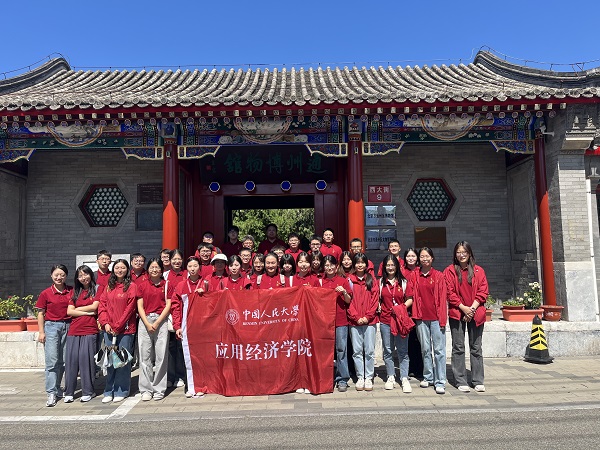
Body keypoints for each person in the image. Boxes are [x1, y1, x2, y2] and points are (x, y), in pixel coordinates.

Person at [444, 241, 489, 393]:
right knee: (458, 347)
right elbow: (449, 292)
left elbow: (483, 291)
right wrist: (464, 308)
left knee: (476, 347)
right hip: (458, 313)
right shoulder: (449, 271)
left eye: (464, 252)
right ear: (455, 254)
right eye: (458, 252)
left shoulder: (478, 271)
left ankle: (477, 380)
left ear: (469, 254)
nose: (461, 255)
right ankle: (460, 380)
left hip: (476, 313)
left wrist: (472, 309)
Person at [98, 259, 138, 403]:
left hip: (125, 330)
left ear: (127, 270)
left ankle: (122, 390)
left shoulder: (132, 286)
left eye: (122, 268)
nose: (119, 270)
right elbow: (102, 305)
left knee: (122, 361)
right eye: (117, 268)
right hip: (109, 329)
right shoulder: (109, 286)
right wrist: (105, 323)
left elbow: (130, 308)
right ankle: (109, 390)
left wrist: (118, 326)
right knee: (110, 361)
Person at [410, 247, 447, 394]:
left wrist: (443, 320)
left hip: (436, 318)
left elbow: (442, 299)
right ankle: (428, 376)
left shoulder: (439, 276)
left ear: (432, 258)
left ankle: (440, 380)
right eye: (422, 256)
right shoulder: (414, 275)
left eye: (427, 256)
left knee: (439, 350)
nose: (425, 259)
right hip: (421, 318)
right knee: (425, 349)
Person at [36, 264, 73, 407]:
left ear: (66, 276)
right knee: (52, 361)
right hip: (52, 327)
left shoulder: (71, 291)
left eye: (62, 275)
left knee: (64, 361)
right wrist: (41, 332)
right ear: (51, 276)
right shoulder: (46, 293)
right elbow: (40, 313)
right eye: (56, 275)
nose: (59, 277)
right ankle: (51, 392)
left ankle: (58, 388)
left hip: (68, 326)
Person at [170, 256, 207, 397]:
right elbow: (175, 306)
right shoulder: (181, 285)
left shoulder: (206, 283)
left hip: (203, 326)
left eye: (195, 266)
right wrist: (177, 326)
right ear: (186, 268)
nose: (192, 269)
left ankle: (202, 384)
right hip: (186, 326)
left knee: (202, 356)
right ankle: (189, 385)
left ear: (200, 268)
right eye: (190, 266)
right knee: (187, 356)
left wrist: (205, 294)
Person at [137, 258, 172, 401]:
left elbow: (168, 305)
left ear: (161, 269)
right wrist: (147, 323)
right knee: (144, 356)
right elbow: (140, 306)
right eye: (152, 267)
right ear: (148, 270)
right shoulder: (142, 285)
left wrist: (157, 322)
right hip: (145, 321)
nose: (154, 269)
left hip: (161, 321)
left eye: (157, 267)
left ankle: (159, 389)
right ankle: (146, 389)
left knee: (161, 356)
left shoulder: (167, 284)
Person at [64, 265, 100, 404]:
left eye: (85, 274)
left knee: (86, 361)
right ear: (77, 278)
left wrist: (78, 309)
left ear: (91, 275)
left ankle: (88, 391)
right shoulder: (75, 292)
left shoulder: (97, 289)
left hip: (90, 330)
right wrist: (88, 312)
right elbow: (69, 311)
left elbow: (95, 307)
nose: (83, 277)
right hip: (74, 330)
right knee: (71, 362)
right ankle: (69, 392)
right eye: (80, 275)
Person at [379, 255, 412, 393]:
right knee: (388, 350)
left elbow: (410, 299)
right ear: (384, 267)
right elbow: (378, 299)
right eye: (388, 265)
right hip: (385, 321)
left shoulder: (403, 282)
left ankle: (404, 377)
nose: (390, 267)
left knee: (403, 351)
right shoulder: (381, 282)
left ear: (397, 266)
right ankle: (391, 376)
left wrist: (401, 308)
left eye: (393, 265)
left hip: (400, 321)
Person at [320, 255, 352, 392]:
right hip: (323, 322)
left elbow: (348, 300)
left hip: (340, 321)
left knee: (341, 349)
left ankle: (342, 379)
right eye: (326, 265)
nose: (329, 268)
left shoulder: (342, 281)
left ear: (336, 266)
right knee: (324, 350)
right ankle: (325, 377)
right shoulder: (319, 282)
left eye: (331, 265)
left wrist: (344, 292)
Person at [347, 253, 379, 391]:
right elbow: (348, 301)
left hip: (370, 322)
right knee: (357, 351)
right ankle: (360, 376)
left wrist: (367, 316)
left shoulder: (371, 280)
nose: (360, 265)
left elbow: (375, 300)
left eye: (362, 262)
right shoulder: (349, 280)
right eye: (357, 262)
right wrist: (356, 317)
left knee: (370, 351)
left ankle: (369, 377)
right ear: (354, 265)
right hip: (354, 322)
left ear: (366, 264)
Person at [403, 247, 424, 379]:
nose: (411, 258)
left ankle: (420, 368)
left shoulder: (421, 271)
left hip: (420, 310)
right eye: (408, 256)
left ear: (417, 258)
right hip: (406, 310)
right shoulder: (401, 271)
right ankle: (411, 368)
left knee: (420, 340)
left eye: (413, 256)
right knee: (409, 340)